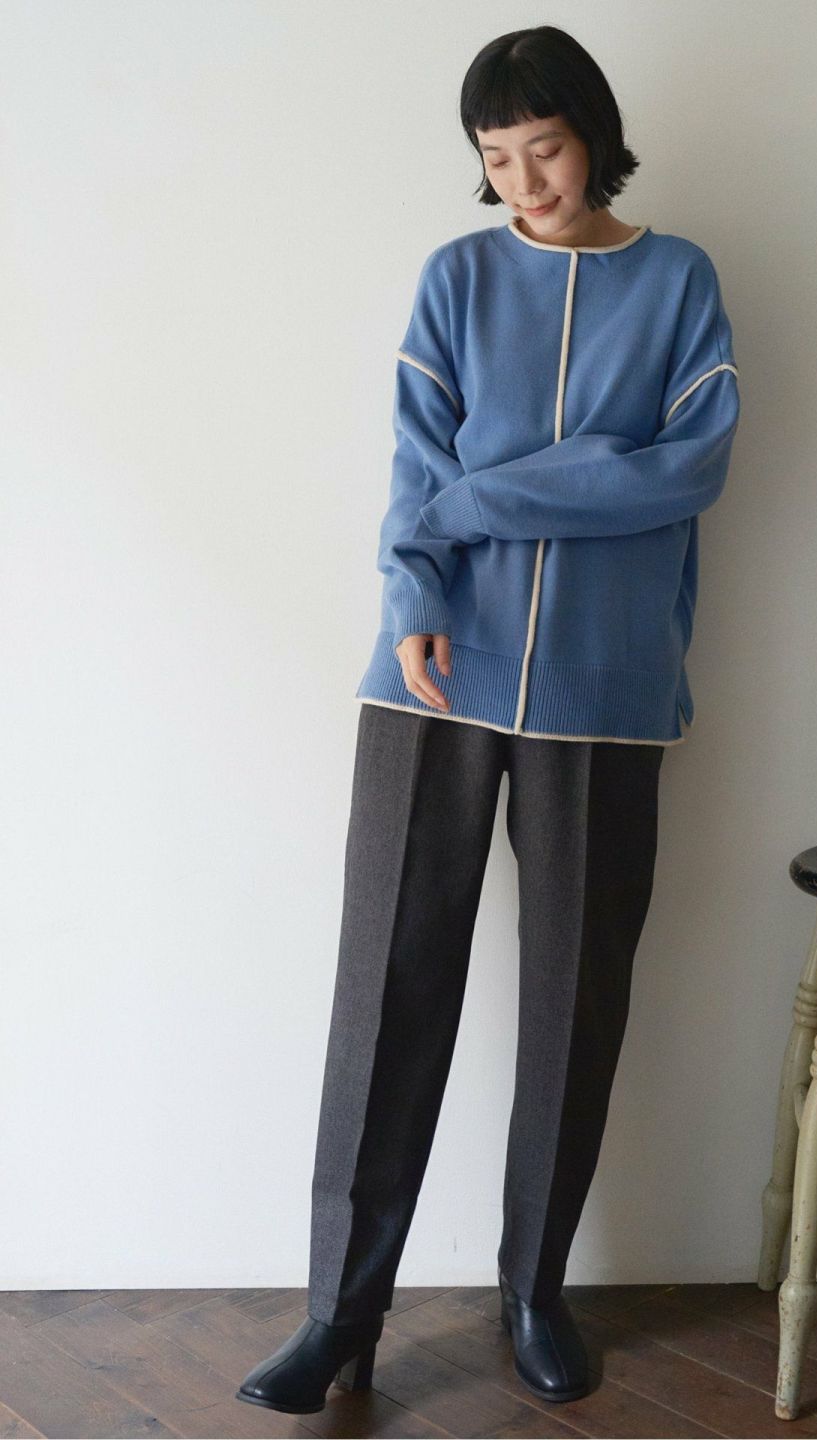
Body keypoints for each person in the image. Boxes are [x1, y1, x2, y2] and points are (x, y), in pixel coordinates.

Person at [236, 23, 740, 1417]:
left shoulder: (679, 281)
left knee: (577, 996)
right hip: (437, 669)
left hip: (605, 683)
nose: (525, 181)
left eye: (546, 148)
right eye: (498, 159)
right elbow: (417, 468)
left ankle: (533, 1292)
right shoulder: (455, 278)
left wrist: (485, 493)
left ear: (595, 135)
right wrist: (419, 575)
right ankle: (340, 1315)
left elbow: (687, 467)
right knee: (389, 989)